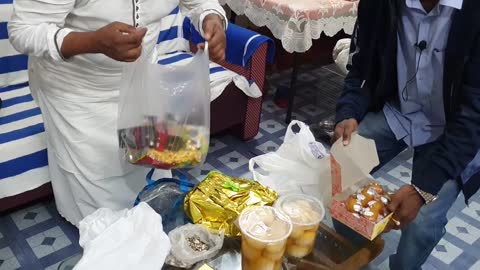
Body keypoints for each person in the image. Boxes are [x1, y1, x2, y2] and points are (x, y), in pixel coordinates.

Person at [8, 0, 227, 226]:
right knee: (100, 206)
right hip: (79, 92)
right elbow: (23, 30)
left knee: (149, 171)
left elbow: (200, 2)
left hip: (142, 79)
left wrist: (211, 19)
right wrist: (93, 42)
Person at [333, 0, 480, 269]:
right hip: (399, 111)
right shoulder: (379, 5)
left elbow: (474, 115)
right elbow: (361, 67)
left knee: (422, 222)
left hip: (456, 129)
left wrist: (424, 188)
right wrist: (348, 112)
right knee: (340, 169)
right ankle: (355, 257)